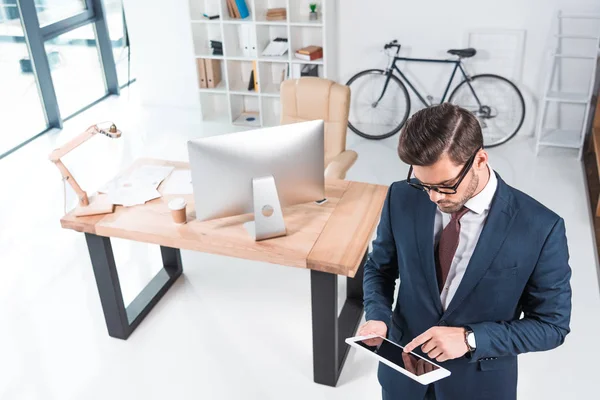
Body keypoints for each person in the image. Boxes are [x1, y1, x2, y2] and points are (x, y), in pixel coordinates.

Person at [358, 103, 572, 400]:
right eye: (424, 185)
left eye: (446, 186)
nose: (433, 197)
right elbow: (379, 269)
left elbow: (552, 326)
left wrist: (471, 339)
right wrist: (379, 316)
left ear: (480, 159)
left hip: (478, 388)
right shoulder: (400, 197)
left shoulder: (540, 227)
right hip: (402, 380)